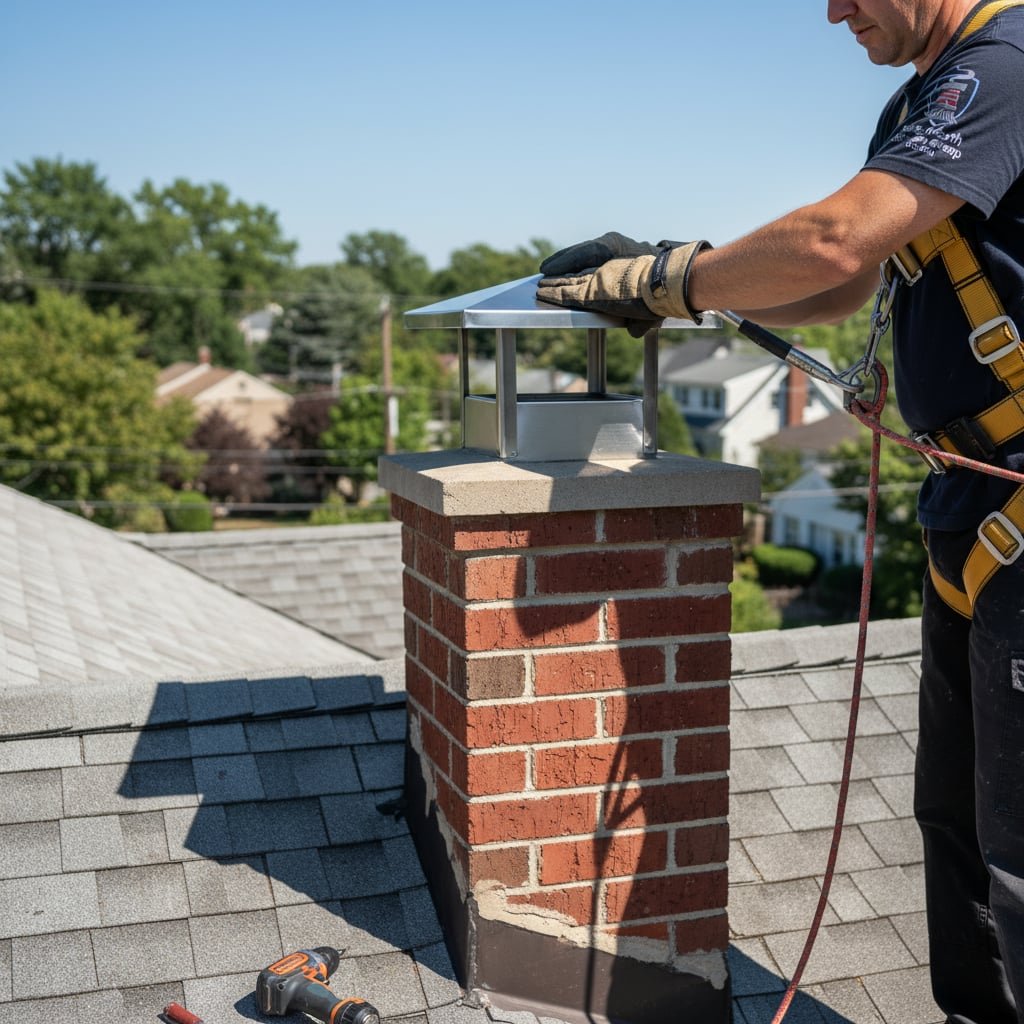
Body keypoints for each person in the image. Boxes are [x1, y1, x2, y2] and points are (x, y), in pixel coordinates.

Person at [536, 2, 1024, 1021]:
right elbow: (832, 289)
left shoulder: (1009, 61)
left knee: (1022, 851)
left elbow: (837, 242)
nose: (833, 10)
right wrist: (688, 289)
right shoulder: (919, 97)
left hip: (1014, 507)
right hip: (970, 507)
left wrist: (671, 276)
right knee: (960, 828)